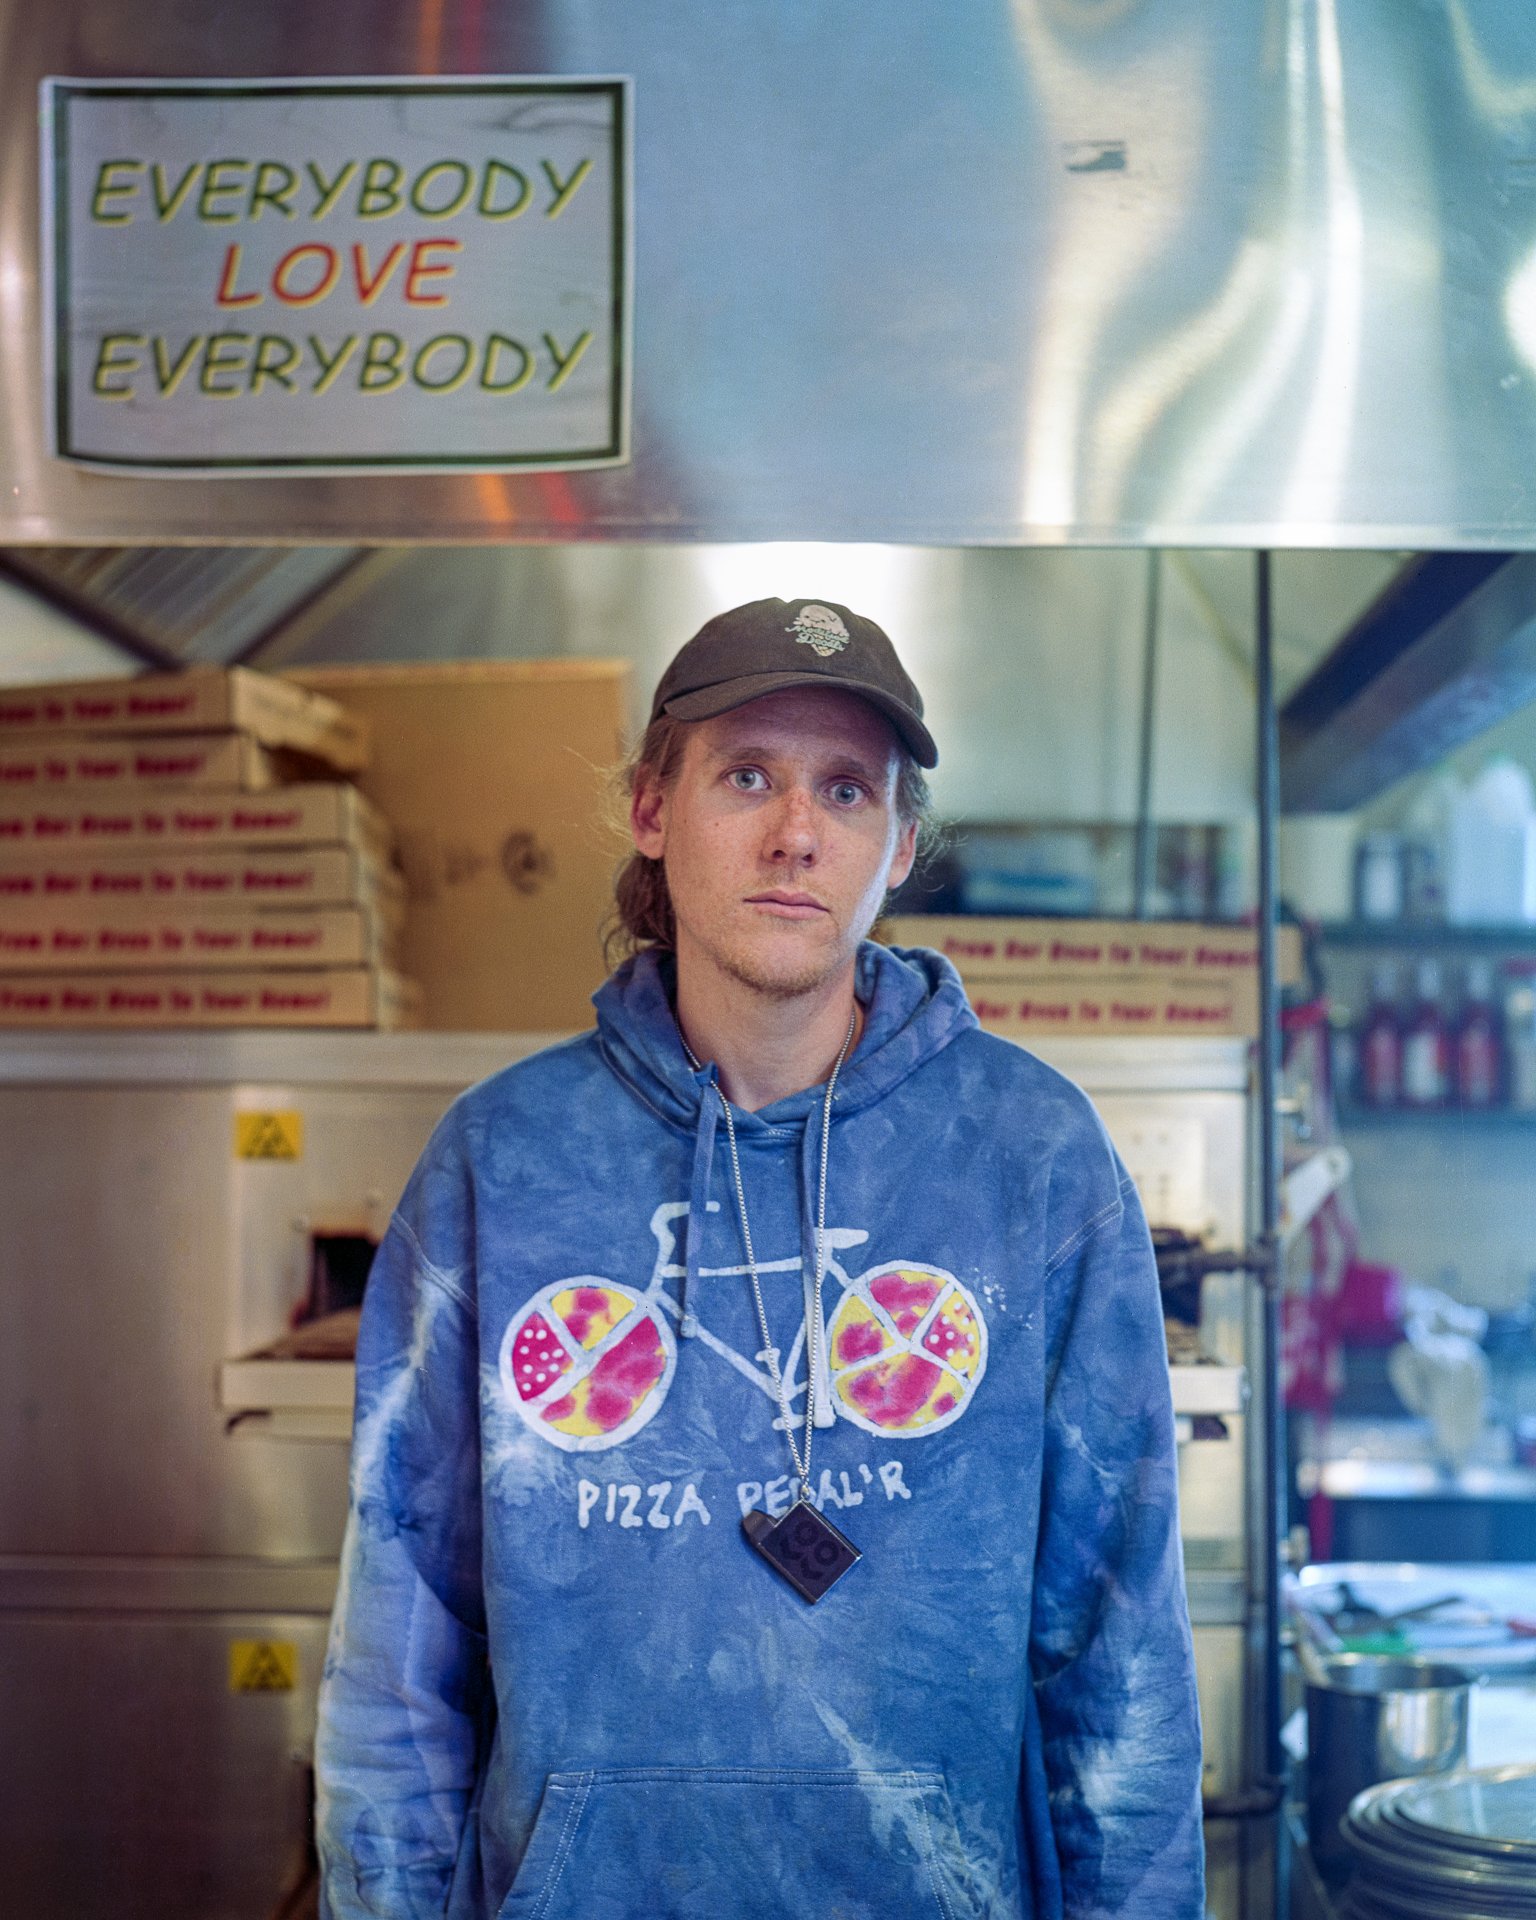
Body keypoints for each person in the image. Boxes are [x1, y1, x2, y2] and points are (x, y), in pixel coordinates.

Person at [315, 596, 1205, 1920]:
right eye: (749, 776)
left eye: (846, 790)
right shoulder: (500, 1163)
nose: (796, 833)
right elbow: (400, 1653)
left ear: (899, 844)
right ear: (651, 810)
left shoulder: (1037, 1158)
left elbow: (1118, 1656)